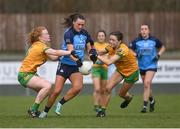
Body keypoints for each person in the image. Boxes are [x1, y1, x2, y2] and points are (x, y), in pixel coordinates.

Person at [39, 13, 97, 118]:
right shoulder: (68, 33)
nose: (81, 27)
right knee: (56, 90)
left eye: (82, 25)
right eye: (79, 24)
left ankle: (60, 104)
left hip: (76, 66)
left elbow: (89, 48)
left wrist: (92, 54)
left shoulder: (85, 34)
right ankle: (45, 112)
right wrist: (77, 61)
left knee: (78, 87)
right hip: (65, 64)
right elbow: (71, 51)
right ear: (73, 22)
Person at [17, 26, 76, 118]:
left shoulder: (41, 46)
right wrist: (69, 52)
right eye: (46, 33)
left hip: (29, 74)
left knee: (47, 91)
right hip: (25, 75)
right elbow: (55, 53)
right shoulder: (40, 46)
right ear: (40, 37)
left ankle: (34, 109)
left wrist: (63, 54)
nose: (49, 35)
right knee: (47, 86)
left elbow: (54, 57)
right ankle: (33, 109)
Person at [95, 31, 139, 117]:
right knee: (107, 88)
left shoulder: (123, 50)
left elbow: (109, 62)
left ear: (119, 41)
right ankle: (103, 111)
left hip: (131, 73)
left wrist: (96, 56)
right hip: (120, 70)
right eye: (110, 39)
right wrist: (93, 52)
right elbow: (100, 52)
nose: (111, 42)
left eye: (113, 40)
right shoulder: (110, 47)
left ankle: (129, 98)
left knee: (121, 94)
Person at [129, 24, 166, 113]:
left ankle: (145, 106)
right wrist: (136, 55)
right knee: (147, 86)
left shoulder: (154, 40)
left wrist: (158, 54)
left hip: (152, 65)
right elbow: (129, 49)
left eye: (145, 29)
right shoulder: (136, 41)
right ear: (140, 31)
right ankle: (152, 100)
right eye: (142, 29)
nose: (144, 31)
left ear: (149, 31)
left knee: (147, 83)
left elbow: (163, 47)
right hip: (142, 66)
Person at [91, 30, 109, 113]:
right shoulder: (93, 45)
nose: (101, 37)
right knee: (97, 89)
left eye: (102, 36)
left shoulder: (108, 46)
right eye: (99, 35)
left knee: (103, 90)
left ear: (105, 37)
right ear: (97, 37)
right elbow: (90, 55)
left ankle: (101, 108)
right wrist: (95, 60)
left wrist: (104, 60)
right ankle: (95, 105)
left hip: (104, 69)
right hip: (96, 68)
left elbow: (109, 57)